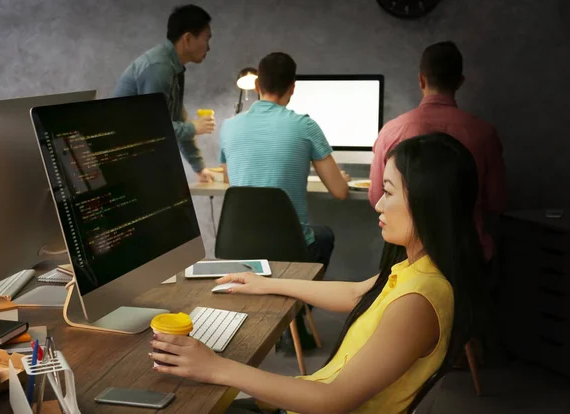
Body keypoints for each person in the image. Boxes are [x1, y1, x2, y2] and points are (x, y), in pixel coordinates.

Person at [149, 133, 484, 414]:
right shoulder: (417, 270)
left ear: (427, 202)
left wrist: (215, 367)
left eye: (389, 192)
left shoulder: (420, 301)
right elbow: (357, 294)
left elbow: (332, 400)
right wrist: (267, 284)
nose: (379, 205)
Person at [369, 41, 506, 262]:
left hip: (406, 256)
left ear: (421, 79)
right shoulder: (484, 134)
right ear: (459, 82)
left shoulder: (391, 131)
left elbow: (377, 196)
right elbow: (496, 202)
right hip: (467, 254)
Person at [220, 52, 349, 272]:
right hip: (290, 248)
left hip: (238, 244)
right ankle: (302, 301)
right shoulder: (305, 126)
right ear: (292, 88)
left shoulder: (228, 126)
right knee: (324, 236)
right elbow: (340, 191)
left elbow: (229, 179)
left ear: (257, 85)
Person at [113, 4, 215, 182]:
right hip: (125, 164)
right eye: (207, 39)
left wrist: (199, 167)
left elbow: (177, 120)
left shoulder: (173, 68)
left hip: (139, 159)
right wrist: (194, 127)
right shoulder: (159, 69)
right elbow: (153, 128)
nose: (208, 47)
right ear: (188, 39)